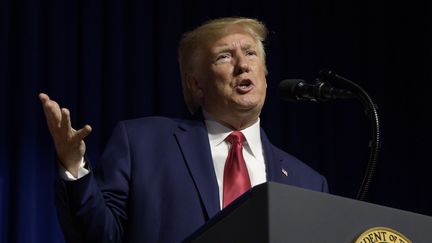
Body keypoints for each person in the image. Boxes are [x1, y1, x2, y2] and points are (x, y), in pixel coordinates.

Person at [39, 17, 328, 243]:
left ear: (264, 74)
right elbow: (99, 237)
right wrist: (74, 166)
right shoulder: (141, 144)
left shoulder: (308, 183)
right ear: (196, 84)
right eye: (225, 57)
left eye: (251, 53)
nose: (243, 65)